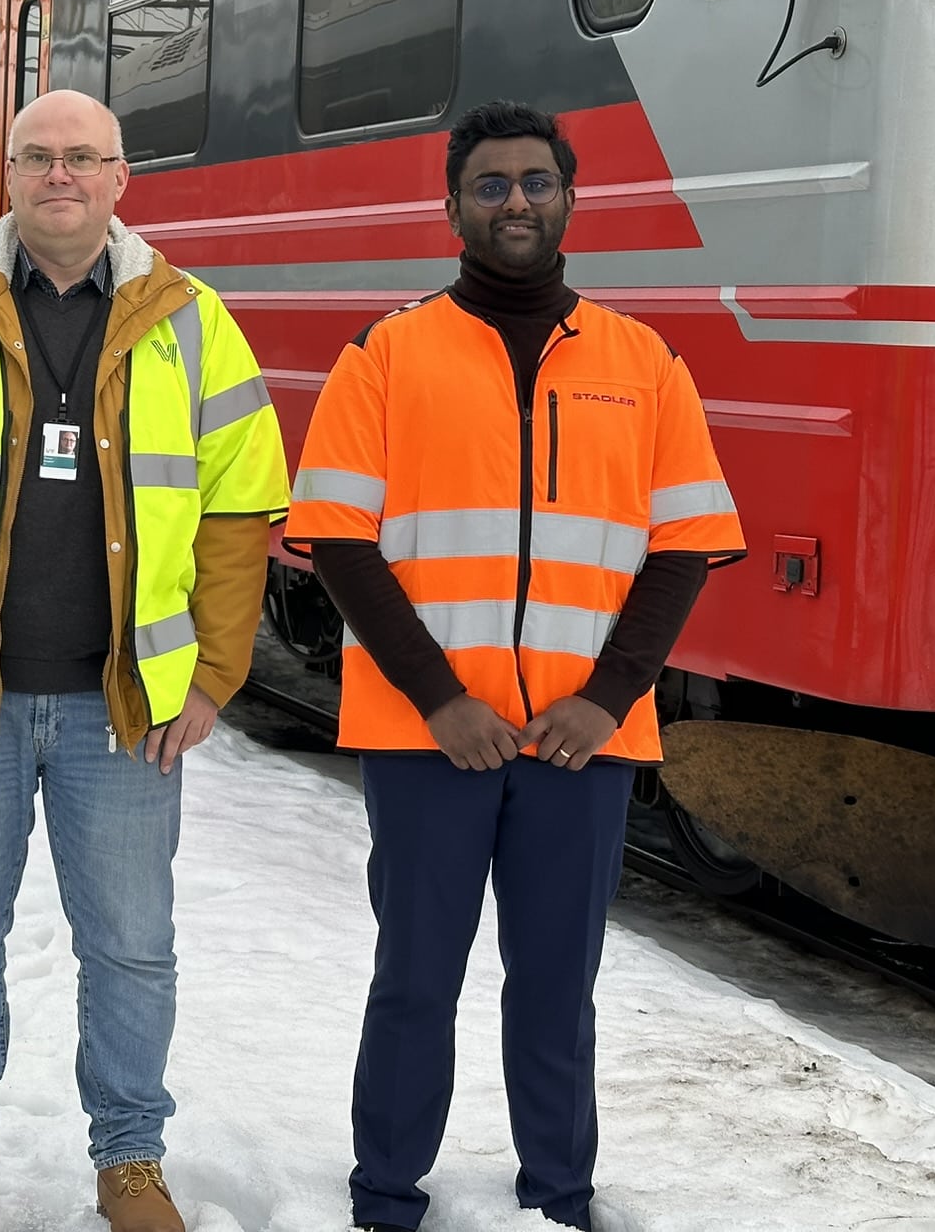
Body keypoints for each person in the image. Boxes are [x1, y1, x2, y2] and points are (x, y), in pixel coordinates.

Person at [283, 101, 745, 1232]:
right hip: (427, 737)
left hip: (574, 745)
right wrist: (438, 700)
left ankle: (559, 1194)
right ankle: (384, 1194)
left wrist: (601, 701)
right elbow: (335, 539)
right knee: (413, 983)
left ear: (569, 199)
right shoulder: (386, 352)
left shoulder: (642, 362)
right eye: (488, 185)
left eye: (535, 182)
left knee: (554, 990)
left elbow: (684, 548)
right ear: (450, 209)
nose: (514, 203)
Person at [0, 89, 289, 1232]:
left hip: (120, 704)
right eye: (37, 156)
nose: (60, 176)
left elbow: (243, 508)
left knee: (132, 949)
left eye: (83, 158)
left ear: (121, 179)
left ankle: (130, 1161)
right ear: (7, 174)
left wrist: (215, 674)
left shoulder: (188, 317)